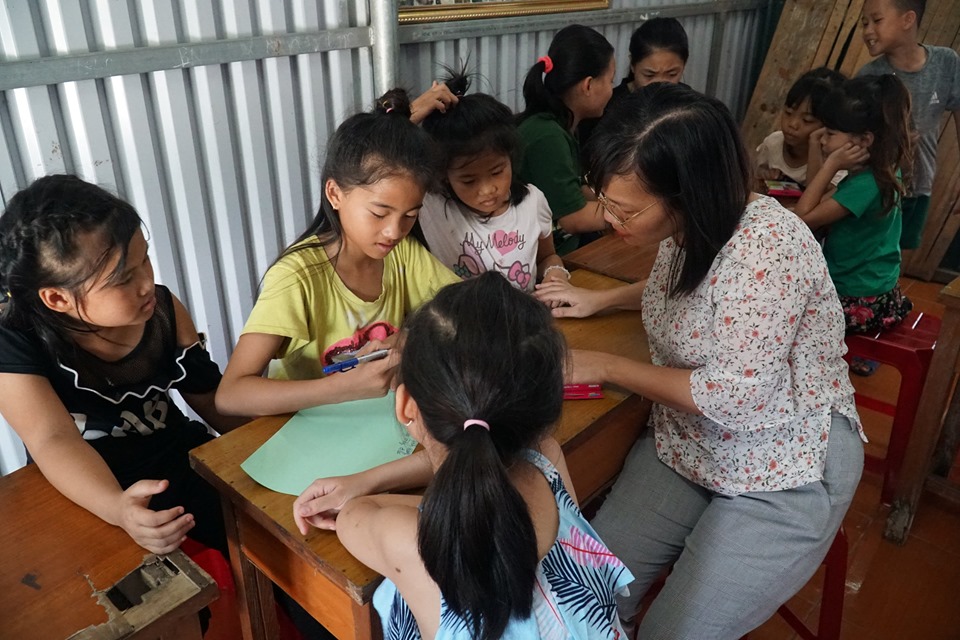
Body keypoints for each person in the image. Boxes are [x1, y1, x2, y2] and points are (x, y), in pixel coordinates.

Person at [534, 84, 864, 639]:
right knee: (577, 605)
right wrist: (602, 298)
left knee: (670, 632)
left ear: (687, 193)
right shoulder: (693, 227)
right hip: (689, 442)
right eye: (604, 199)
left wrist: (605, 367)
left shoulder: (771, 248)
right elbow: (690, 288)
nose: (609, 216)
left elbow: (736, 395)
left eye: (624, 209)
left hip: (784, 466)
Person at [293, 272, 634, 639]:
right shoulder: (547, 458)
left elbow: (360, 513)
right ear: (543, 413)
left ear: (406, 405)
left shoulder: (402, 537)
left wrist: (365, 482)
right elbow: (478, 460)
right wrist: (366, 482)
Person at [0, 174, 244, 555]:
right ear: (57, 298)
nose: (147, 283)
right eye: (123, 278)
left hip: (176, 463)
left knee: (264, 545)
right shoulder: (15, 339)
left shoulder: (162, 310)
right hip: (84, 491)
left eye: (144, 258)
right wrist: (118, 508)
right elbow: (52, 439)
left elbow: (210, 397)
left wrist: (274, 439)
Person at [216, 90, 459, 417]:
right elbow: (231, 395)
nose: (394, 231)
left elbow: (467, 311)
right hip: (307, 431)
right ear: (335, 194)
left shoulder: (403, 256)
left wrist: (413, 337)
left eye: (410, 215)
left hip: (377, 423)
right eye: (379, 213)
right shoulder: (297, 276)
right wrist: (342, 388)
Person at [418, 71, 569, 293]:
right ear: (444, 175)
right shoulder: (433, 207)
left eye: (497, 171)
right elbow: (371, 168)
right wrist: (412, 112)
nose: (488, 190)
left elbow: (547, 256)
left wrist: (554, 273)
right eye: (469, 180)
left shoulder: (532, 202)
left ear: (511, 157)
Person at [794, 74, 914, 345]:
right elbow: (817, 196)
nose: (822, 139)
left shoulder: (867, 185)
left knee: (782, 313)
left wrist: (830, 165)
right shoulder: (877, 170)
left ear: (864, 140)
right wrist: (821, 152)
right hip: (873, 288)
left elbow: (802, 218)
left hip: (857, 298)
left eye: (830, 134)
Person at [856, 0, 960, 250]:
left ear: (907, 20)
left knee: (899, 253)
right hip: (878, 187)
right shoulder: (868, 77)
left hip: (919, 185)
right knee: (872, 251)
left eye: (876, 21)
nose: (868, 31)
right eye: (864, 23)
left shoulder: (946, 63)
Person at [517, 24, 615, 254]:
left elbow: (576, 188)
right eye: (610, 81)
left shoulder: (561, 125)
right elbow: (574, 217)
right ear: (588, 85)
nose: (612, 89)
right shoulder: (546, 136)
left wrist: (617, 202)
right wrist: (635, 213)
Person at [579, 17, 690, 144]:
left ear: (684, 65)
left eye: (672, 74)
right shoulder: (608, 109)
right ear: (633, 65)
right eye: (649, 75)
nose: (660, 84)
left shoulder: (689, 106)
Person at [755, 67, 847, 186]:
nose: (792, 124)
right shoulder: (773, 144)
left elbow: (819, 195)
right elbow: (757, 172)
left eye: (807, 120)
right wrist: (764, 174)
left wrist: (814, 145)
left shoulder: (835, 161)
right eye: (788, 113)